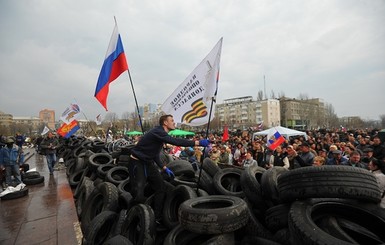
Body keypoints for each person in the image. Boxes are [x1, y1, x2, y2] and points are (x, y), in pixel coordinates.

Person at [128, 114, 209, 224]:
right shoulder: (158, 131)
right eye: (172, 120)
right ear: (165, 123)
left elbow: (155, 154)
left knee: (160, 188)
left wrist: (164, 167)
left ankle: (155, 218)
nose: (174, 122)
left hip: (148, 163)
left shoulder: (161, 135)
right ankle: (129, 217)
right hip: (137, 162)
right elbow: (176, 142)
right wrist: (197, 142)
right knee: (138, 194)